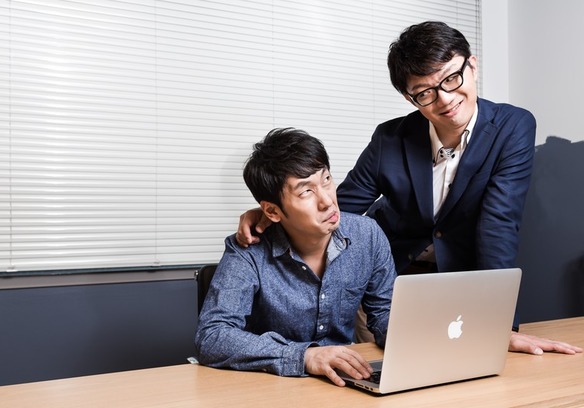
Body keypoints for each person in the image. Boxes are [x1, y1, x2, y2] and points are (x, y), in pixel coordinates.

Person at [236, 21, 582, 356]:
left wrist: (500, 323)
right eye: (425, 93)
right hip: (388, 287)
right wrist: (273, 216)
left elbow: (498, 223)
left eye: (452, 78)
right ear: (409, 97)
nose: (445, 99)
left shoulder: (512, 126)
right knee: (386, 375)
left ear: (472, 65)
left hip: (463, 281)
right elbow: (342, 207)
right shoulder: (389, 138)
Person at [195, 128, 397, 387]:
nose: (327, 201)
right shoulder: (248, 250)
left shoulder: (367, 235)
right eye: (306, 192)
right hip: (272, 383)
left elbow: (383, 311)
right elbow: (212, 336)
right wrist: (304, 356)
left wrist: (411, 337)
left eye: (326, 179)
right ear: (272, 211)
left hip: (343, 380)